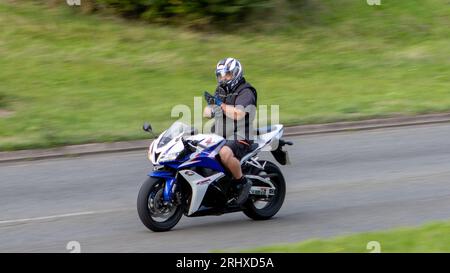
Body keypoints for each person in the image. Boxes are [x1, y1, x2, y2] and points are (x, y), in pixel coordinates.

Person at [203, 57, 257, 205]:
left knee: (225, 153)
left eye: (227, 74)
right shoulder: (221, 90)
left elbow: (238, 114)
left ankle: (242, 183)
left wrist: (220, 106)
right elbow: (207, 111)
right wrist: (213, 108)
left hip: (241, 134)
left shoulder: (246, 91)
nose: (223, 78)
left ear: (236, 73)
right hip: (220, 133)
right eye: (220, 75)